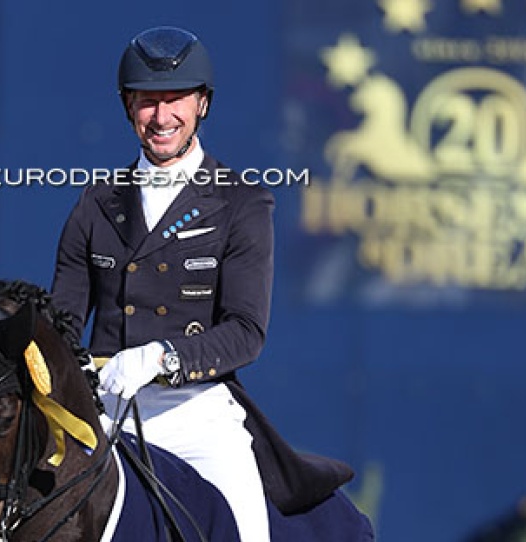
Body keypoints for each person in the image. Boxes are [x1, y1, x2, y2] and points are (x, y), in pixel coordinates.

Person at [51, 26, 353, 541]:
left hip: (194, 413)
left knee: (246, 531)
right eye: (148, 102)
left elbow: (245, 332)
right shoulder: (96, 203)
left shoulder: (242, 203)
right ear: (128, 106)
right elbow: (63, 319)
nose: (161, 117)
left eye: (176, 101)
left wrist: (161, 358)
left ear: (202, 105)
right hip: (105, 414)